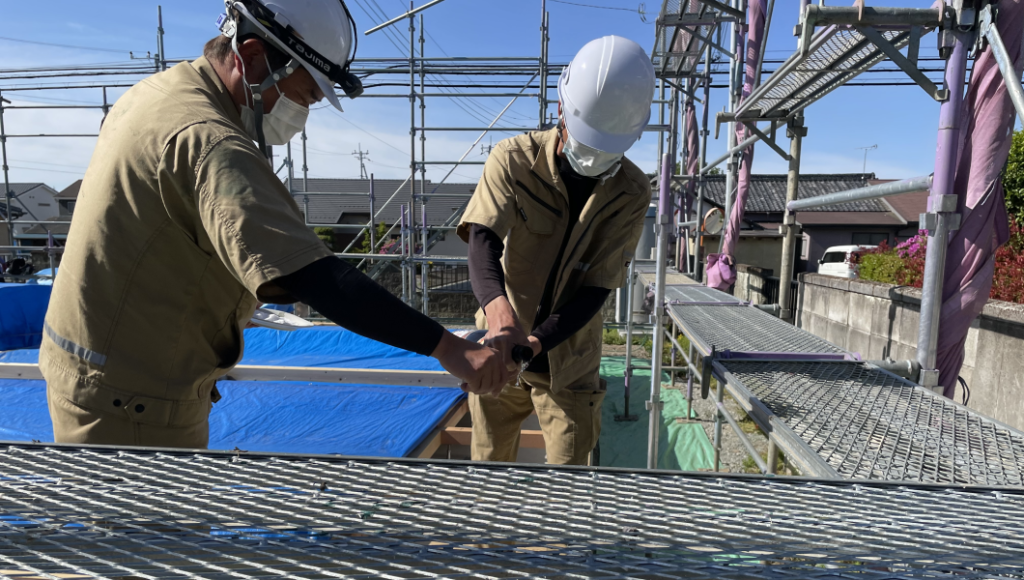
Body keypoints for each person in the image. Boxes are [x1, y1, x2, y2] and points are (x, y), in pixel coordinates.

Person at [40, 0, 508, 448]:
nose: (301, 115)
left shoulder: (161, 91)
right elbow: (313, 275)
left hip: (91, 369)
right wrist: (449, 347)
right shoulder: (210, 140)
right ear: (252, 55)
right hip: (131, 400)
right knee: (146, 530)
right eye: (303, 94)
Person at [458, 36, 655, 465]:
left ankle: (555, 535)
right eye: (589, 139)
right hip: (499, 344)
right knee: (489, 468)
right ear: (561, 108)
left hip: (570, 359)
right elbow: (483, 237)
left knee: (569, 482)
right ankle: (490, 534)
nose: (595, 155)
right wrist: (499, 312)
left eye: (610, 147)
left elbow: (597, 287)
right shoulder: (513, 159)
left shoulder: (632, 191)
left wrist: (533, 343)